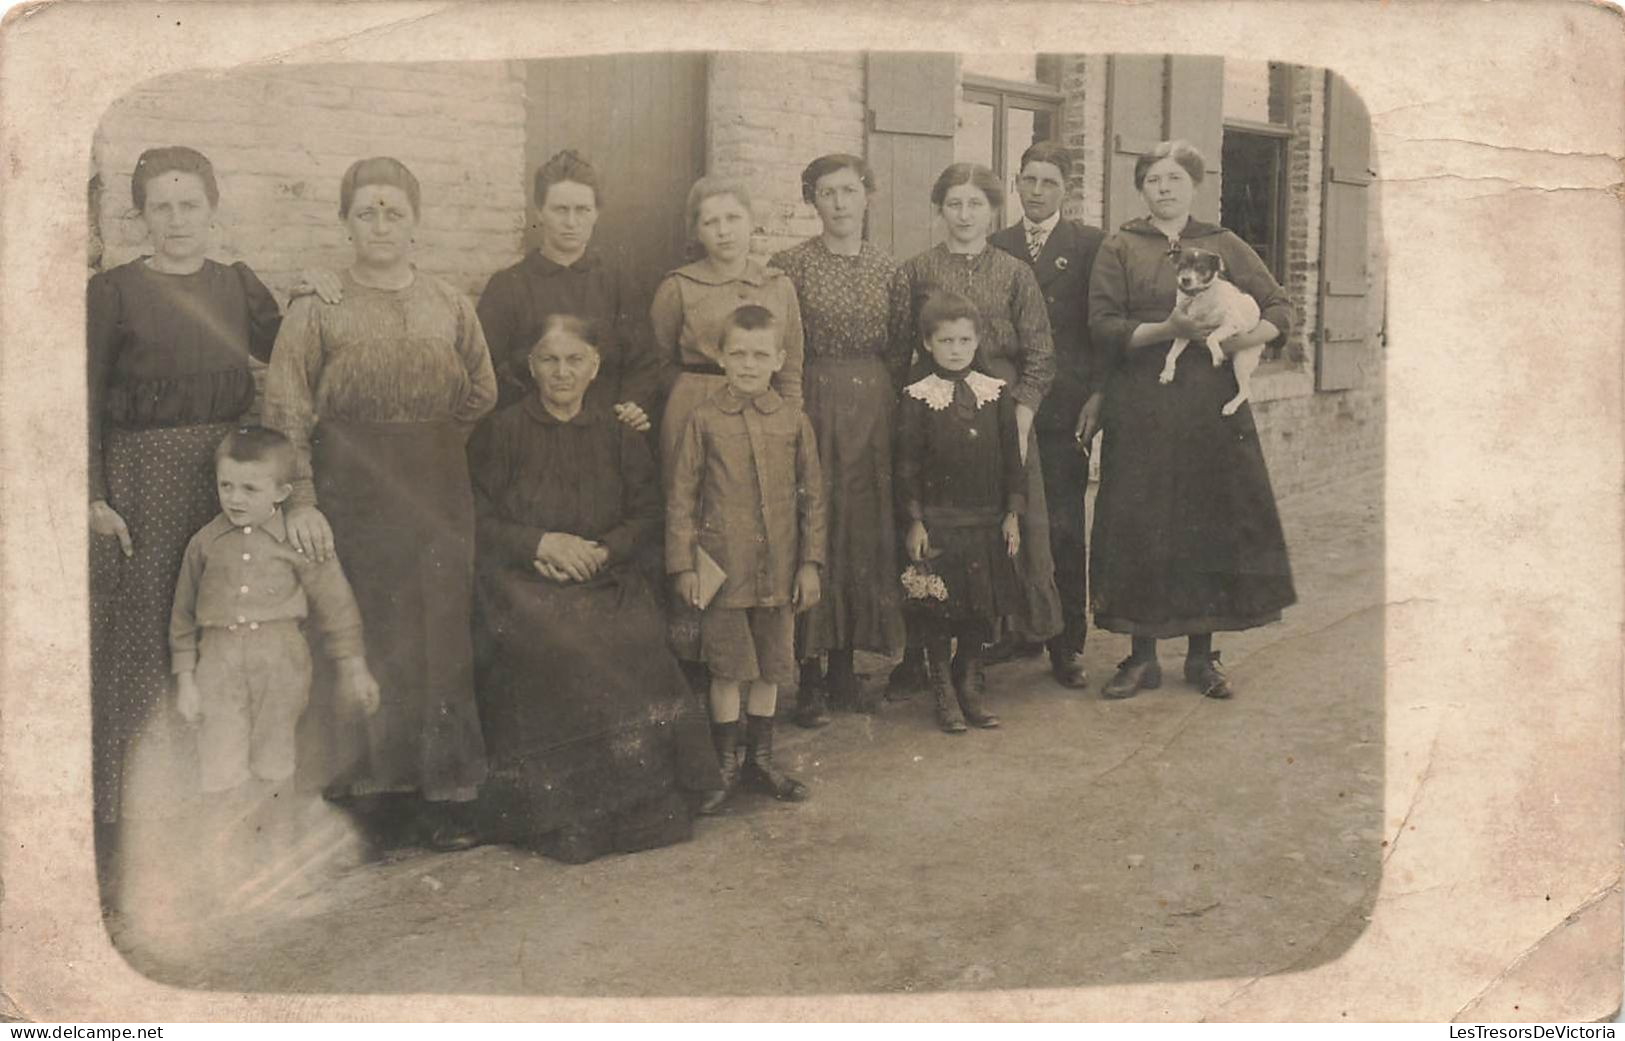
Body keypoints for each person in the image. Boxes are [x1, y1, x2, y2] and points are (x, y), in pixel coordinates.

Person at [264, 156, 498, 851]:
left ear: (416, 222)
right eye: (365, 211)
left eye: (394, 210)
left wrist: (426, 446)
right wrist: (303, 496)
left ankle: (441, 794)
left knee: (439, 635)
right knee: (358, 630)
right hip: (348, 490)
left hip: (435, 487)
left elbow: (480, 390)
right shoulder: (316, 309)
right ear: (344, 223)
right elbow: (285, 407)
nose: (380, 223)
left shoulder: (450, 303)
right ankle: (368, 801)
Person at [467, 317, 722, 864]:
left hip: (606, 574)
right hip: (524, 577)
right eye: (549, 361)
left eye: (574, 360)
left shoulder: (618, 434)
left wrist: (603, 551)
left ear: (596, 367)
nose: (562, 373)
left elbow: (646, 514)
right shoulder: (502, 431)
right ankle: (565, 814)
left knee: (632, 638)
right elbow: (478, 519)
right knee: (555, 643)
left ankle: (637, 807)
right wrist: (540, 542)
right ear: (531, 367)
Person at [87, 146, 286, 834]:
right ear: (142, 215)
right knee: (149, 633)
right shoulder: (113, 292)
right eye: (161, 207)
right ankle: (144, 806)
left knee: (222, 628)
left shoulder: (236, 284)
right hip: (140, 481)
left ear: (212, 210)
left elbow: (293, 354)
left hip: (223, 479)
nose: (176, 220)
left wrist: (321, 294)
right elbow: (82, 396)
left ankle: (222, 800)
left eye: (189, 205)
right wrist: (94, 493)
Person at [1087, 140, 1296, 700]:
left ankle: (1204, 658)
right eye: (1154, 179)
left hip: (1210, 406)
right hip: (1144, 404)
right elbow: (1103, 325)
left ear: (1194, 185)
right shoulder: (1121, 246)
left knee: (1211, 521)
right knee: (1141, 525)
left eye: (1175, 178)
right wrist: (1167, 332)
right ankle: (1141, 657)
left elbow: (1279, 308)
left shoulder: (1224, 244)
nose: (1164, 188)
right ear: (1141, 188)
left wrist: (1236, 344)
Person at [168, 427, 380, 896]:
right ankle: (225, 867)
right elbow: (183, 617)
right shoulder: (204, 544)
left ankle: (275, 860)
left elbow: (337, 605)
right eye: (227, 486)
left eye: (250, 488)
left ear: (283, 492)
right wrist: (186, 680)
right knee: (221, 763)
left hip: (280, 657)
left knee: (274, 760)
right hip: (218, 661)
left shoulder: (299, 542)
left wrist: (354, 664)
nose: (236, 499)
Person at [888, 162, 1063, 694]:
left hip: (1001, 412)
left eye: (976, 205)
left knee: (1012, 525)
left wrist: (1022, 416)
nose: (964, 215)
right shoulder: (915, 271)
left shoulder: (1015, 272)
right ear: (940, 210)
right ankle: (922, 656)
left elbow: (1040, 355)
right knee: (935, 530)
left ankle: (1012, 643)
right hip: (935, 415)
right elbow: (900, 351)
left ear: (992, 211)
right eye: (954, 204)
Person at [667, 305, 826, 810]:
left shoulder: (795, 421)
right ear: (720, 356)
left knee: (770, 668)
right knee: (728, 669)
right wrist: (684, 566)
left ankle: (759, 760)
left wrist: (810, 564)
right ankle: (727, 765)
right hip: (723, 571)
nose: (750, 365)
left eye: (761, 355)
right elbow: (681, 498)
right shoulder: (704, 420)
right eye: (738, 354)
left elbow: (813, 499)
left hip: (779, 571)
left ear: (780, 358)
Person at [768, 154, 909, 725]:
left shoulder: (889, 269)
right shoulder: (789, 266)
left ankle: (848, 665)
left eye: (849, 191)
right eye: (826, 193)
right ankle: (809, 675)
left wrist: (881, 404)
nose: (839, 203)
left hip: (873, 404)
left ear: (867, 196)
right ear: (812, 201)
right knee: (813, 518)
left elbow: (899, 349)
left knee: (861, 529)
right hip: (813, 398)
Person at [651, 177, 805, 661]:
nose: (723, 231)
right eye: (711, 221)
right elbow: (657, 362)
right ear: (696, 230)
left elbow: (793, 363)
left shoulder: (777, 285)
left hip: (764, 415)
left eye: (732, 218)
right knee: (698, 518)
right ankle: (695, 658)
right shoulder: (678, 286)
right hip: (695, 407)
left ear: (751, 222)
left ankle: (754, 658)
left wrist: (791, 423)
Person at [989, 142, 1106, 690]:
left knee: (1061, 525)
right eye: (1028, 181)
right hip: (1007, 407)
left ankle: (1067, 643)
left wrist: (1098, 396)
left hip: (1063, 411)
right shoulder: (998, 244)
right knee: (1011, 521)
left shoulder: (1089, 247)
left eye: (1049, 183)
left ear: (1067, 190)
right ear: (1016, 184)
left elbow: (1103, 330)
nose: (1036, 192)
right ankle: (1019, 627)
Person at [895, 292, 1025, 733]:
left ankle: (967, 679)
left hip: (986, 517)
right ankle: (942, 689)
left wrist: (1012, 512)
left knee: (979, 607)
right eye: (945, 340)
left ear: (977, 341)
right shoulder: (917, 397)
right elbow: (907, 464)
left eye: (964, 340)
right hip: (940, 522)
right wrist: (915, 519)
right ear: (928, 344)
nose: (955, 349)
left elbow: (1012, 458)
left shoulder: (995, 393)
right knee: (938, 608)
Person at [476, 149, 660, 429]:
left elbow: (644, 362)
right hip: (528, 434)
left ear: (596, 213)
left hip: (605, 432)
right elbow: (485, 368)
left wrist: (633, 404)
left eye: (582, 210)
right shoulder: (508, 286)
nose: (571, 222)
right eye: (560, 210)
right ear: (540, 212)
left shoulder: (619, 285)